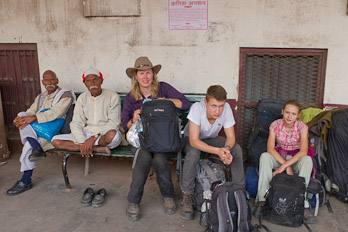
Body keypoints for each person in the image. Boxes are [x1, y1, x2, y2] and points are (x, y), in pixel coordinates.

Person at [122, 56, 190, 221]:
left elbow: (185, 104)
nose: (145, 77)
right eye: (141, 73)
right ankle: (134, 201)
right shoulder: (131, 97)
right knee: (143, 157)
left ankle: (168, 197)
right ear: (135, 77)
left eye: (148, 73)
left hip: (163, 139)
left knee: (160, 159)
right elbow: (125, 126)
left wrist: (166, 101)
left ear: (153, 74)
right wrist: (134, 119)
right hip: (141, 140)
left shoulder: (163, 88)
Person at [180, 85, 245, 220]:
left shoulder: (226, 109)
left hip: (211, 139)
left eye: (221, 106)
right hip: (191, 140)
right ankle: (188, 195)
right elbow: (193, 141)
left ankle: (239, 191)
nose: (217, 110)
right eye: (214, 106)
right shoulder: (197, 109)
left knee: (236, 149)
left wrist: (226, 151)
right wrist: (217, 151)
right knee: (193, 154)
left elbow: (231, 137)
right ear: (206, 103)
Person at [7, 70, 75, 196]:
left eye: (52, 79)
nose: (49, 82)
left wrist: (34, 118)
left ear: (57, 80)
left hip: (55, 133)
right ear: (43, 82)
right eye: (46, 80)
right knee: (22, 114)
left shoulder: (65, 95)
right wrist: (19, 119)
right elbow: (30, 111)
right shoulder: (41, 97)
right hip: (38, 130)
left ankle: (26, 180)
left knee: (28, 146)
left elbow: (57, 113)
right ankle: (36, 147)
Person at [254, 100, 314, 223]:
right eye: (287, 112)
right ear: (282, 112)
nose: (289, 116)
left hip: (296, 158)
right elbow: (270, 148)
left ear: (298, 115)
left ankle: (303, 204)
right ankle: (262, 201)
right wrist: (285, 166)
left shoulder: (302, 127)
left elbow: (303, 151)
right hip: (279, 156)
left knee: (307, 160)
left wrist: (284, 167)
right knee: (265, 156)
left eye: (293, 114)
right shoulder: (275, 125)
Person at [51, 67, 122, 157]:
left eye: (95, 80)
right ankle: (95, 148)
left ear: (101, 81)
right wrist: (83, 141)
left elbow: (114, 122)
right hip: (86, 134)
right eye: (88, 81)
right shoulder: (82, 98)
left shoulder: (113, 96)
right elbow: (76, 122)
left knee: (113, 135)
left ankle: (88, 146)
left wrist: (94, 137)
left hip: (103, 135)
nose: (92, 83)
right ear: (85, 84)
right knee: (55, 141)